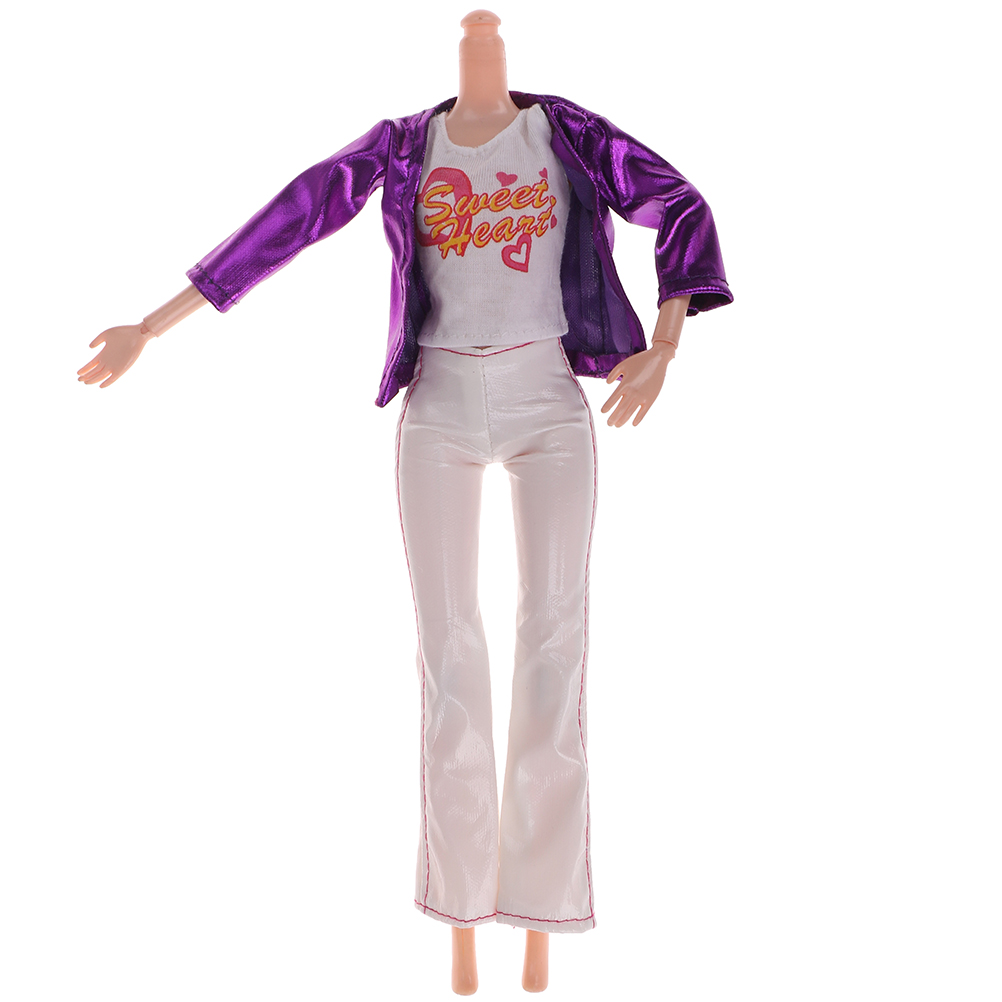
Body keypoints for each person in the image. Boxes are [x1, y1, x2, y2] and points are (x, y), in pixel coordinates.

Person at [77, 10, 731, 995]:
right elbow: (291, 218)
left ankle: (542, 910)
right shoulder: (404, 146)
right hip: (439, 403)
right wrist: (151, 326)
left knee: (554, 644)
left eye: (492, 39)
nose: (482, 43)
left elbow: (674, 199)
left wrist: (669, 343)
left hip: (548, 395)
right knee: (450, 656)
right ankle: (461, 912)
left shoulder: (563, 133)